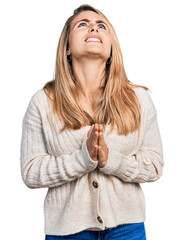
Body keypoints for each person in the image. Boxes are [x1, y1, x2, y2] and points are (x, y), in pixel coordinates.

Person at [20, 4, 164, 240]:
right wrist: (82, 159)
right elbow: (30, 171)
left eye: (101, 26)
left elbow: (155, 165)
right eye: (82, 24)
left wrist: (111, 161)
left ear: (110, 49)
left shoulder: (139, 99)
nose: (93, 28)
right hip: (66, 233)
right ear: (67, 47)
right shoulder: (43, 102)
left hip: (127, 230)